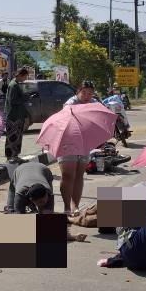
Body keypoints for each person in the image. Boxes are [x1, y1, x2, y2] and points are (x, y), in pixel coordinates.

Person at [55, 79, 97, 214]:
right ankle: (67, 207)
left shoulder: (94, 103)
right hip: (68, 141)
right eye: (84, 92)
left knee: (79, 175)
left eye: (90, 93)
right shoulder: (70, 103)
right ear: (78, 92)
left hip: (84, 142)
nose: (87, 96)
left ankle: (75, 206)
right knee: (68, 175)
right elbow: (65, 121)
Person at [3, 66, 30, 162]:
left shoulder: (15, 84)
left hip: (17, 116)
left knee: (16, 137)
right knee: (12, 137)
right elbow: (13, 101)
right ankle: (11, 156)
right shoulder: (13, 85)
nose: (25, 78)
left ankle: (14, 156)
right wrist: (25, 98)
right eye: (25, 76)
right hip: (13, 116)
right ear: (20, 75)